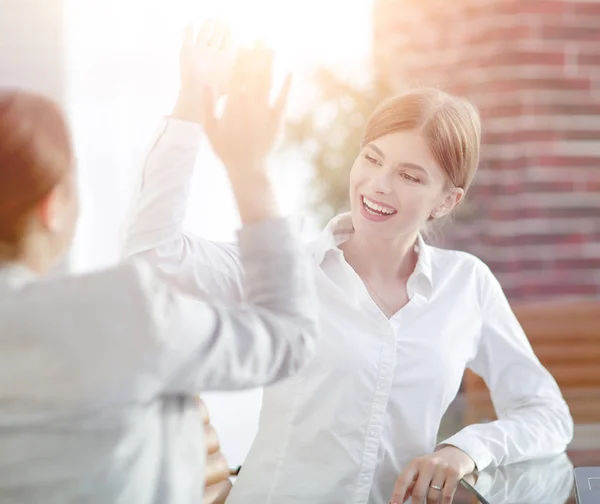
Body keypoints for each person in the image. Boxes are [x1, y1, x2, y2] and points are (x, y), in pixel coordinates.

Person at [123, 23, 574, 504]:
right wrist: (193, 102)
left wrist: (463, 451)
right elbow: (152, 256)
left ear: (446, 200)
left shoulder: (466, 285)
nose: (379, 184)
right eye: (372, 158)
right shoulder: (285, 267)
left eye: (409, 175)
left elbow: (547, 414)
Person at [0, 35, 319, 504]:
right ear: (54, 207)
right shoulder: (122, 313)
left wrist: (190, 103)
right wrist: (248, 169)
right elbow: (289, 337)